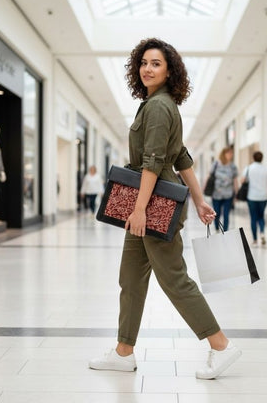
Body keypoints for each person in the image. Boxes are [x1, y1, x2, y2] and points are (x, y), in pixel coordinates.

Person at [89, 38, 241, 379]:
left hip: (153, 207)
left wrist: (140, 209)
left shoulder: (158, 107)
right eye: (144, 62)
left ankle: (221, 345)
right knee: (130, 277)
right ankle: (123, 351)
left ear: (169, 70)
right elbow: (182, 155)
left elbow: (155, 162)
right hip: (146, 206)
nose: (147, 68)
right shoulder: (157, 104)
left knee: (173, 278)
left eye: (156, 63)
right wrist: (200, 199)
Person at [241, 151, 267, 246]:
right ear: (262, 158)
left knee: (253, 217)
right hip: (263, 197)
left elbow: (242, 180)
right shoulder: (266, 169)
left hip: (251, 196)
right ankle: (262, 233)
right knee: (261, 216)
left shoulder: (249, 168)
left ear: (253, 158)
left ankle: (255, 240)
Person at [209, 146, 238, 231]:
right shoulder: (216, 164)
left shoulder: (233, 166)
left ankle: (225, 231)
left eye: (231, 153)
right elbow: (210, 176)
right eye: (229, 153)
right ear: (224, 154)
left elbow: (235, 180)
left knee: (226, 214)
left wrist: (236, 193)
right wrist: (205, 188)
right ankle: (217, 228)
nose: (231, 155)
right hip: (216, 193)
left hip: (228, 194)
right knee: (216, 213)